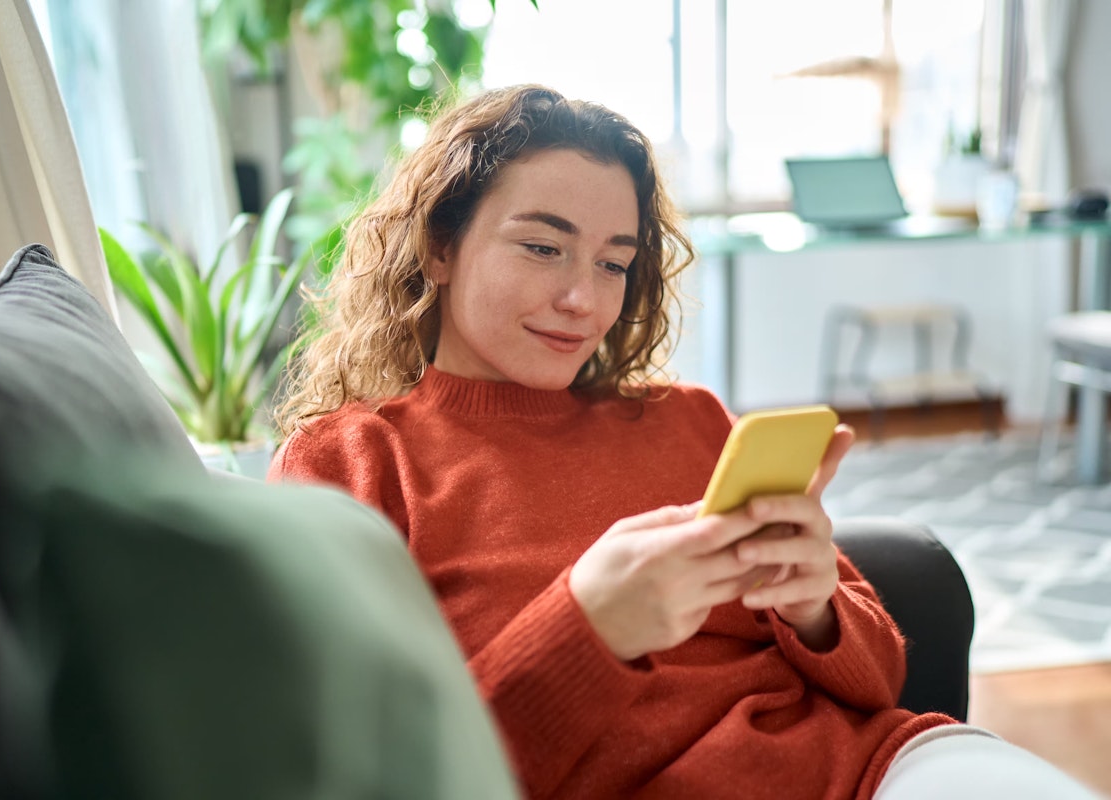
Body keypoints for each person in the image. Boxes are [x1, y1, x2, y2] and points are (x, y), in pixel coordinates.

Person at [268, 85, 1099, 799]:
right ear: (439, 246)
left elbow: (883, 681)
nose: (580, 299)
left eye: (613, 263)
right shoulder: (350, 466)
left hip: (874, 772)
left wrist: (815, 606)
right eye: (542, 247)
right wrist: (587, 628)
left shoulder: (690, 419)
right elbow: (380, 777)